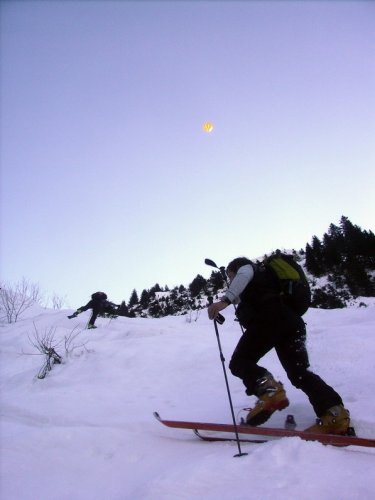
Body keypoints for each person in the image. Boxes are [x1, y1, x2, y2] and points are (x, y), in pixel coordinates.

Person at [207, 257, 350, 435]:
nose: (231, 280)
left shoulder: (247, 269)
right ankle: (335, 414)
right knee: (299, 374)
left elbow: (241, 280)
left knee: (240, 362)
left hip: (270, 318)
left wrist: (224, 301)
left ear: (237, 269)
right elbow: (240, 294)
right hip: (291, 323)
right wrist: (228, 301)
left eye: (231, 275)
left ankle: (270, 392)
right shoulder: (266, 279)